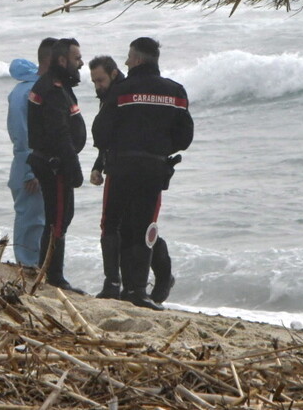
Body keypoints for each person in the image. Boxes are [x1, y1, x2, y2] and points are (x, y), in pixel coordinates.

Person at [93, 37, 193, 310]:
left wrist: (119, 147)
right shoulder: (176, 92)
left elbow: (101, 132)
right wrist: (159, 148)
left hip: (122, 167)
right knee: (143, 228)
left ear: (137, 60)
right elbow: (185, 137)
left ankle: (112, 285)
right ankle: (138, 290)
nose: (125, 62)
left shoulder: (122, 91)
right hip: (154, 168)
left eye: (128, 57)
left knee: (112, 224)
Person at [27, 38, 86, 292]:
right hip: (55, 163)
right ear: (62, 60)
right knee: (58, 218)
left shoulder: (59, 85)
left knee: (60, 216)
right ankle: (53, 275)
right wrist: (73, 168)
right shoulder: (52, 88)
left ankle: (48, 270)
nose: (80, 62)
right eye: (76, 58)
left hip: (54, 160)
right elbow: (59, 133)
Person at [6, 37, 56, 268]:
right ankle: (27, 265)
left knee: (39, 218)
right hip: (29, 163)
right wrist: (30, 170)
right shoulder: (27, 91)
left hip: (37, 162)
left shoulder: (39, 86)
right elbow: (21, 133)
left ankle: (34, 264)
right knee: (30, 218)